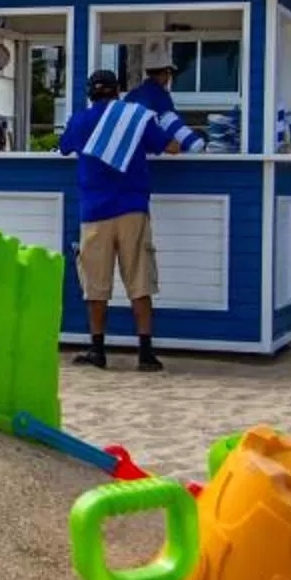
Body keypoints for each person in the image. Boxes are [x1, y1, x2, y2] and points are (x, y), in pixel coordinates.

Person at [55, 65, 197, 371]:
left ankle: (98, 350)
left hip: (94, 211)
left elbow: (64, 147)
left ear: (90, 95)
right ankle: (145, 354)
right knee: (139, 281)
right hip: (133, 208)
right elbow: (172, 147)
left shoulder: (80, 120)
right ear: (118, 91)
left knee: (95, 285)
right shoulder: (135, 117)